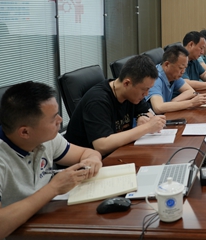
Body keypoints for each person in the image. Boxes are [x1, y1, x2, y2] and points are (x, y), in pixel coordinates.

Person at [0, 82, 102, 238]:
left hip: (46, 221)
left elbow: (86, 153)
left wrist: (93, 159)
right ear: (25, 132)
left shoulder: (46, 138)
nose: (60, 120)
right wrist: (54, 188)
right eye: (53, 119)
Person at [64, 55, 166, 157]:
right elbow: (102, 146)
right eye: (144, 89)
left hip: (119, 152)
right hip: (88, 161)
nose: (146, 94)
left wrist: (142, 116)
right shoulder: (97, 101)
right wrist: (147, 127)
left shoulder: (131, 94)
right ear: (127, 83)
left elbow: (148, 112)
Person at [146, 44, 206, 114]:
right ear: (167, 64)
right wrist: (191, 103)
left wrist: (173, 102)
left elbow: (190, 91)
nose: (183, 71)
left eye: (185, 68)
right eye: (180, 68)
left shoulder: (173, 75)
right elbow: (158, 107)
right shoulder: (155, 78)